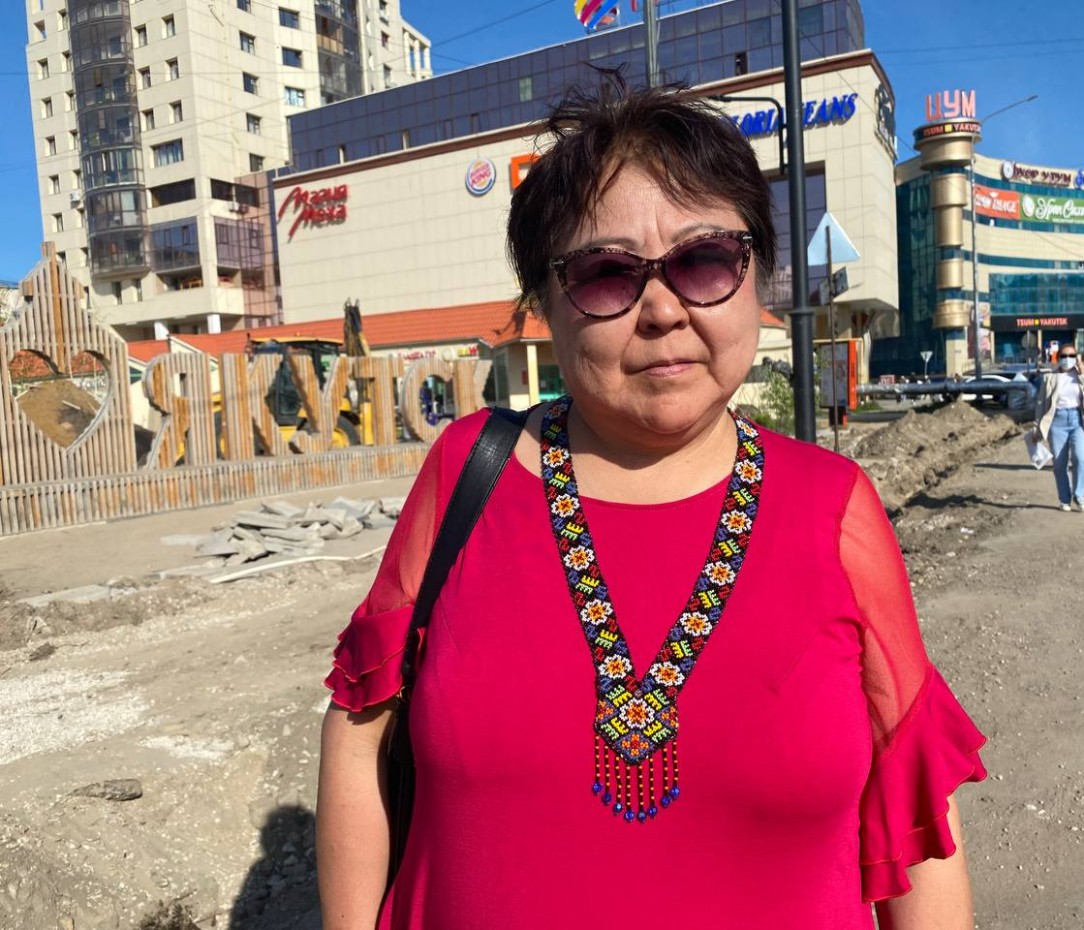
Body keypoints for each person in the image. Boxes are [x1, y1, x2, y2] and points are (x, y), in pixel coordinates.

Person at [316, 80, 985, 930]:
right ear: (545, 304)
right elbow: (359, 729)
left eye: (705, 261)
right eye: (607, 274)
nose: (663, 310)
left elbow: (915, 807)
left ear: (756, 276)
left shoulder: (835, 509)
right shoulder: (467, 475)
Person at [1033, 343, 1084, 511]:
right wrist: (1037, 428)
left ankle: (1079, 495)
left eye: (1071, 355)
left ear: (1077, 357)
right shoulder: (1050, 377)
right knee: (1059, 463)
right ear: (1058, 358)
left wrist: (1083, 373)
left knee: (1080, 458)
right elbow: (1041, 404)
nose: (1067, 359)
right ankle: (1064, 499)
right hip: (1057, 421)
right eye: (1064, 356)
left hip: (1079, 420)